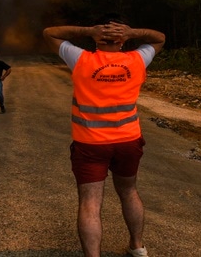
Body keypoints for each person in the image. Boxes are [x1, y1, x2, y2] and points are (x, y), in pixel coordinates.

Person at [42, 17, 165, 257]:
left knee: (90, 203)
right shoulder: (137, 59)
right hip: (128, 141)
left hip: (90, 143)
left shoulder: (81, 59)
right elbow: (160, 38)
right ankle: (138, 247)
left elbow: (49, 33)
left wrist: (87, 31)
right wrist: (133, 32)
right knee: (129, 191)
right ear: (122, 41)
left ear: (98, 40)